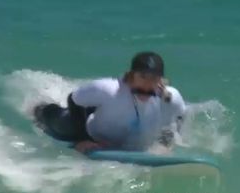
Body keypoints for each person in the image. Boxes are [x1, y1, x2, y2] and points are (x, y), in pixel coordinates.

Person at [33, 52, 186, 154]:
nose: (147, 84)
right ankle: (39, 108)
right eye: (143, 77)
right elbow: (73, 99)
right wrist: (83, 140)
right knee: (58, 121)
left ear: (161, 80)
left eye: (153, 78)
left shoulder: (170, 98)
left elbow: (177, 119)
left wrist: (166, 143)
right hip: (85, 128)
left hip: (112, 125)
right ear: (131, 75)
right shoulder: (108, 89)